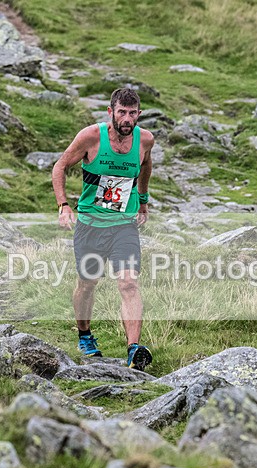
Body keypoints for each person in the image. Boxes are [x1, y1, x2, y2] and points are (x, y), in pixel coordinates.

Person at [51, 87, 154, 370]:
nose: (127, 119)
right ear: (110, 112)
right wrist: (63, 205)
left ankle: (134, 349)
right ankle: (84, 334)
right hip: (90, 225)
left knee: (129, 282)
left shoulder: (145, 140)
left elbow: (146, 167)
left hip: (124, 225)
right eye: (122, 112)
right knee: (87, 284)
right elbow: (59, 166)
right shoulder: (91, 137)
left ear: (139, 114)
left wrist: (142, 201)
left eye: (133, 113)